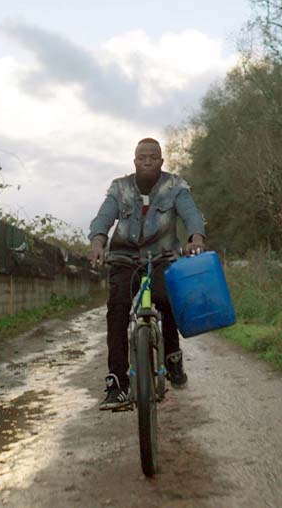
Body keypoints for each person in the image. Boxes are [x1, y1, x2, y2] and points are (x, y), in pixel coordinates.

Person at [88, 138, 206, 410]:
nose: (148, 160)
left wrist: (195, 237)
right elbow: (104, 217)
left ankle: (173, 358)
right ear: (135, 161)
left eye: (153, 156)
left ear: (162, 161)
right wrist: (98, 242)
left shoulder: (175, 186)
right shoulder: (120, 188)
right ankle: (117, 384)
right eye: (142, 156)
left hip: (162, 257)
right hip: (124, 259)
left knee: (167, 299)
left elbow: (191, 214)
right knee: (117, 311)